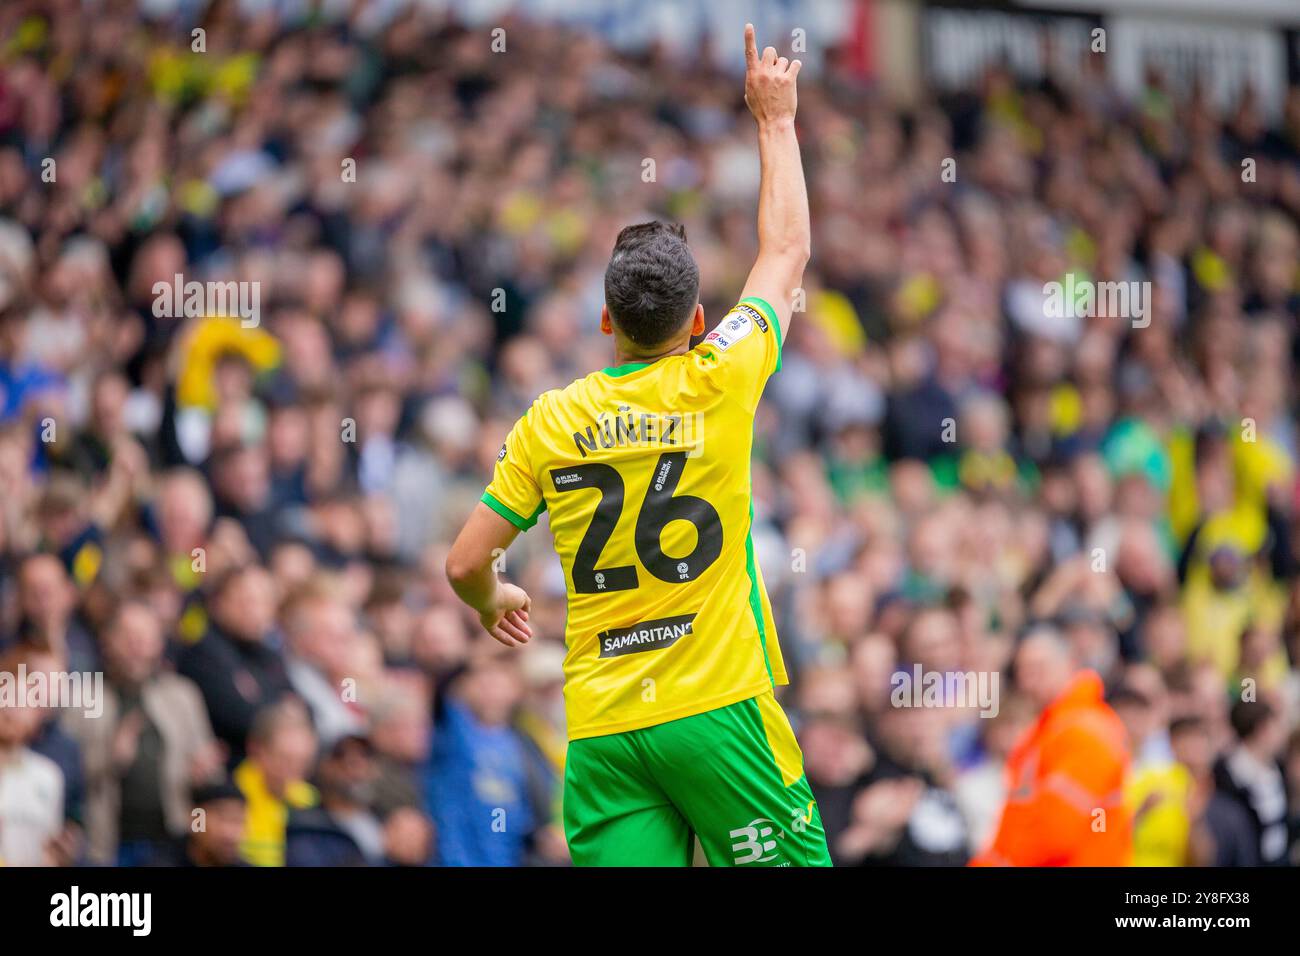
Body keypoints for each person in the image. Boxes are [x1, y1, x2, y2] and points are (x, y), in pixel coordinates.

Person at [445, 24, 829, 867]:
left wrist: (491, 602)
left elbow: (466, 562)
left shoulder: (548, 420)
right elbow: (787, 250)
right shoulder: (721, 374)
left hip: (605, 729)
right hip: (718, 712)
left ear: (605, 321)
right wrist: (774, 119)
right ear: (697, 324)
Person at [64, 600, 223, 865]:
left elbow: (208, 770)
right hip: (105, 844)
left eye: (146, 639)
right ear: (107, 641)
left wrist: (203, 773)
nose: (137, 648)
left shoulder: (182, 695)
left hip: (172, 842)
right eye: (128, 638)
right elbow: (64, 779)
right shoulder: (81, 698)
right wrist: (109, 761)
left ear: (159, 644)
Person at [970, 627, 1133, 866]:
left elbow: (1058, 832)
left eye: (1038, 669)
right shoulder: (1051, 729)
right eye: (1022, 672)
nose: (1027, 681)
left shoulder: (1084, 729)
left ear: (1070, 663)